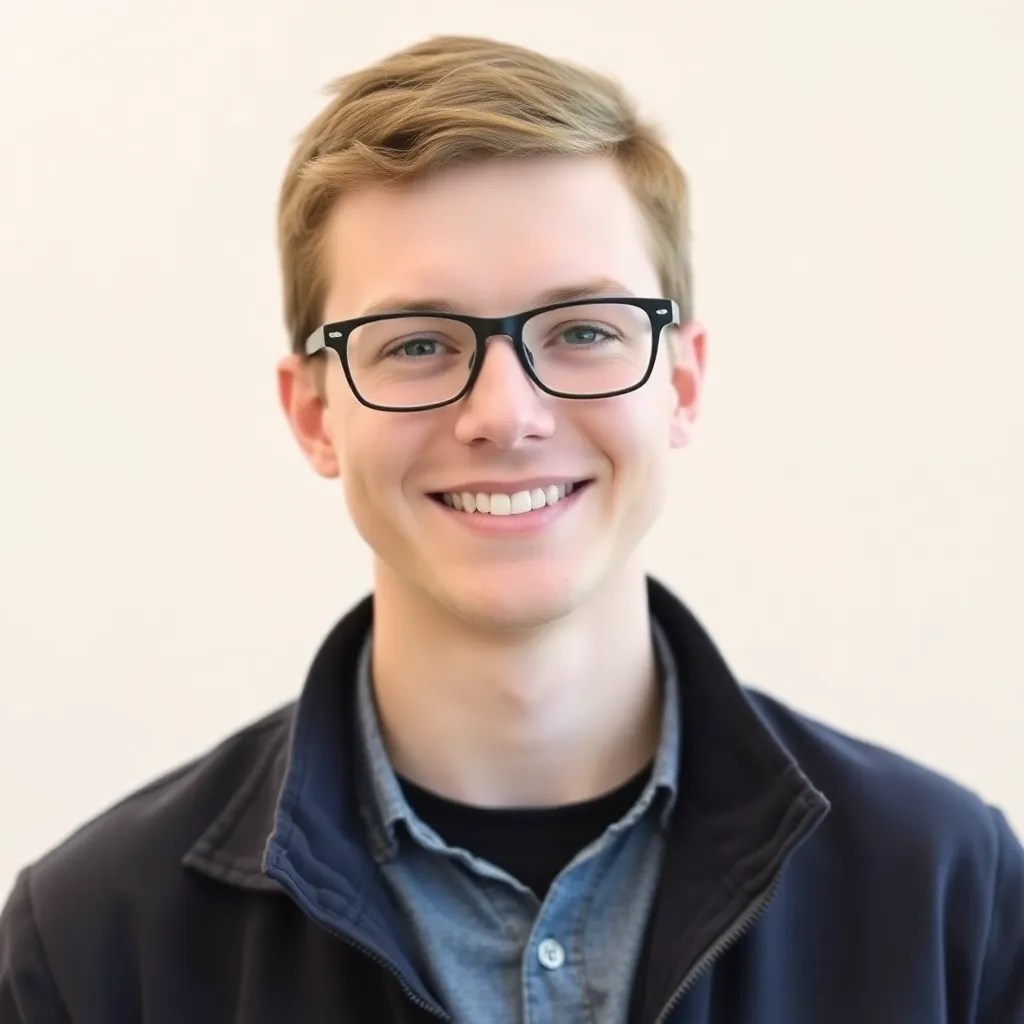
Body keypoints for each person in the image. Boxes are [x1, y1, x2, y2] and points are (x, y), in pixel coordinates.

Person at [1, 33, 1021, 1024]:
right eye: (416, 343)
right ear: (314, 414)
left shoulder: (949, 897)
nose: (506, 413)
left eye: (581, 331)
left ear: (682, 381)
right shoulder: (94, 946)